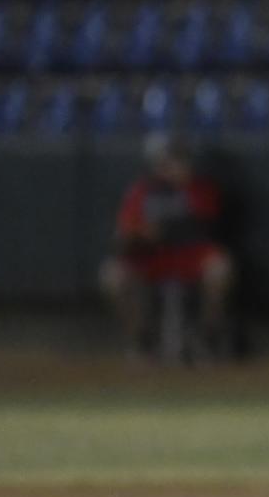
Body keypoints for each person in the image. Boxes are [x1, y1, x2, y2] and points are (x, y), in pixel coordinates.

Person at [98, 131, 234, 361]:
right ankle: (141, 341)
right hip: (152, 258)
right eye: (171, 160)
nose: (178, 165)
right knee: (112, 275)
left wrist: (161, 230)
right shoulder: (141, 191)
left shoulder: (200, 188)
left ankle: (207, 338)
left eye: (180, 159)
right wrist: (135, 237)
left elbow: (203, 225)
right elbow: (125, 234)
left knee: (220, 268)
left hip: (191, 256)